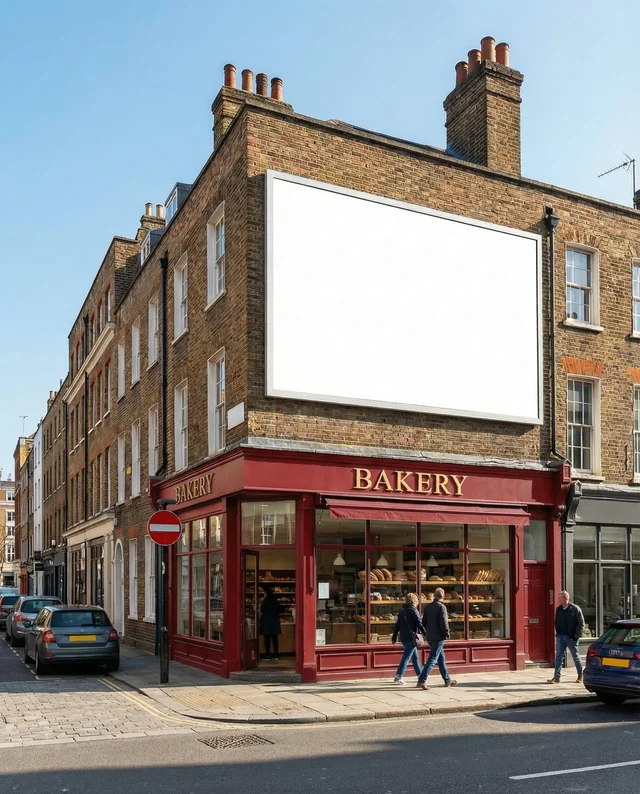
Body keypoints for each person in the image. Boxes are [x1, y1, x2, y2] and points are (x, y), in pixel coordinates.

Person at [417, 587, 457, 690]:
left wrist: (426, 633)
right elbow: (444, 623)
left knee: (441, 659)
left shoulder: (427, 607)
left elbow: (424, 622)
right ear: (443, 596)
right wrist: (447, 634)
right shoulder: (441, 607)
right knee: (433, 659)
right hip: (439, 637)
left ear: (434, 596)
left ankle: (447, 680)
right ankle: (422, 680)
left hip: (430, 636)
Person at [547, 590, 585, 684]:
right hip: (561, 636)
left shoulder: (575, 609)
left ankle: (580, 675)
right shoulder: (559, 609)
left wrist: (576, 636)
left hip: (571, 637)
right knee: (558, 657)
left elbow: (581, 624)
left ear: (566, 598)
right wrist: (558, 632)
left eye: (560, 598)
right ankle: (557, 677)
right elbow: (556, 621)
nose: (559, 600)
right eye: (558, 598)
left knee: (575, 656)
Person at [391, 593, 426, 684]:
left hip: (404, 637)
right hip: (412, 638)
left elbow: (397, 625)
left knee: (415, 658)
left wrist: (394, 637)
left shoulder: (402, 611)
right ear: (415, 601)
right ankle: (398, 677)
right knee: (406, 657)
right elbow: (419, 623)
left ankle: (420, 676)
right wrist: (426, 633)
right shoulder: (413, 610)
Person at [259, 586, 283, 661]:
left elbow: (262, 610)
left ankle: (267, 654)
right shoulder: (275, 601)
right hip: (274, 621)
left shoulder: (265, 601)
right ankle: (276, 654)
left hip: (266, 622)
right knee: (275, 639)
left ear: (266, 593)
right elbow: (280, 609)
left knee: (267, 640)